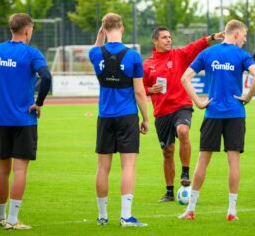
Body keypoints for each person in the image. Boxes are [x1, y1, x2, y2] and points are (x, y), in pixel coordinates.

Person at [179, 20, 255, 220]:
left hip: (213, 113)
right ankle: (232, 211)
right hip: (235, 113)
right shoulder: (242, 55)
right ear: (235, 34)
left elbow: (184, 78)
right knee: (233, 160)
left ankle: (190, 210)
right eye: (243, 36)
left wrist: (199, 102)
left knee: (203, 160)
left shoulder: (208, 53)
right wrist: (248, 96)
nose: (244, 40)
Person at [143, 27, 224, 202]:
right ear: (155, 41)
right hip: (162, 112)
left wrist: (212, 37)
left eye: (169, 37)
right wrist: (150, 89)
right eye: (164, 37)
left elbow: (196, 46)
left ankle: (185, 172)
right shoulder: (147, 65)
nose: (168, 40)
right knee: (168, 151)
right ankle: (170, 192)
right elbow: (138, 90)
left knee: (183, 131)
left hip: (182, 106)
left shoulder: (178, 55)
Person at [89, 13, 149, 227]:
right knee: (128, 166)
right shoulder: (133, 56)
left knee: (102, 167)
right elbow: (140, 92)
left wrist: (100, 35)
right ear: (122, 28)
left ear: (103, 30)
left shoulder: (95, 53)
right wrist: (146, 119)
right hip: (126, 116)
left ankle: (102, 216)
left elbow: (96, 48)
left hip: (105, 116)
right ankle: (125, 216)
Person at [0, 13, 52, 230]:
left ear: (11, 29)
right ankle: (12, 220)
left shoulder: (0, 50)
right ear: (28, 30)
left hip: (0, 120)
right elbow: (46, 77)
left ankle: (0, 217)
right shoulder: (31, 53)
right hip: (23, 119)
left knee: (2, 170)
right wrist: (39, 102)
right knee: (20, 170)